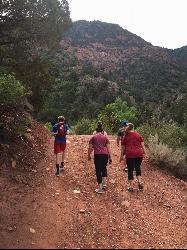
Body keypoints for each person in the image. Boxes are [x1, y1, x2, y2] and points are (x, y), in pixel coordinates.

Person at [120, 123, 146, 192]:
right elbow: (143, 145)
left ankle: (131, 187)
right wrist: (145, 153)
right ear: (133, 128)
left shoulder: (125, 136)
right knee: (137, 168)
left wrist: (121, 156)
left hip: (130, 154)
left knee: (130, 170)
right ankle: (140, 181)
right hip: (139, 154)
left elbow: (123, 148)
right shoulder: (138, 135)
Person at [88, 123, 112, 194]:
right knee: (104, 168)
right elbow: (108, 148)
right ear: (102, 131)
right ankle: (104, 184)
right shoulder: (105, 137)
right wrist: (110, 157)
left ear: (96, 131)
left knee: (98, 170)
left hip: (97, 155)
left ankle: (100, 188)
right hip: (105, 155)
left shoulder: (93, 137)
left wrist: (88, 155)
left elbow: (90, 148)